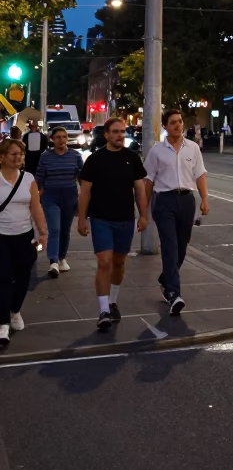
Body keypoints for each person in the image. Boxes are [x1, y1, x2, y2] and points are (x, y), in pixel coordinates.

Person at [77, 116, 149, 332]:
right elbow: (85, 191)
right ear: (106, 135)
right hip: (101, 219)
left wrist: (143, 215)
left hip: (125, 219)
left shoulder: (132, 158)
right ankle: (103, 311)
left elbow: (140, 190)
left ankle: (112, 302)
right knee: (104, 262)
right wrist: (82, 218)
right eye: (115, 131)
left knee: (118, 263)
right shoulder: (95, 160)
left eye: (122, 131)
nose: (119, 135)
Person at [144, 109, 209, 316]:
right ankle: (173, 293)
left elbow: (200, 175)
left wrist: (204, 199)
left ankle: (166, 278)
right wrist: (143, 210)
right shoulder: (157, 151)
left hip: (186, 201)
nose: (177, 125)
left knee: (181, 248)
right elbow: (148, 180)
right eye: (172, 122)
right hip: (164, 201)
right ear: (165, 126)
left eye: (180, 122)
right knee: (170, 246)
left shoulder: (193, 149)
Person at [0, 137, 48, 347]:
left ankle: (15, 310)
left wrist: (43, 233)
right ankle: (2, 324)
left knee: (23, 277)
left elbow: (35, 208)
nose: (18, 157)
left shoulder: (28, 179)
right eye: (13, 153)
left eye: (21, 154)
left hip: (25, 237)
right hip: (1, 237)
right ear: (2, 157)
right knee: (2, 278)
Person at [36, 126, 84, 275]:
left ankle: (62, 257)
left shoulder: (75, 156)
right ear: (52, 139)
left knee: (65, 230)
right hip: (51, 197)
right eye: (58, 137)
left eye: (64, 137)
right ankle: (53, 261)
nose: (61, 140)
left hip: (70, 196)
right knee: (55, 228)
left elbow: (82, 177)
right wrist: (38, 195)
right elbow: (39, 178)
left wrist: (83, 199)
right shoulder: (46, 157)